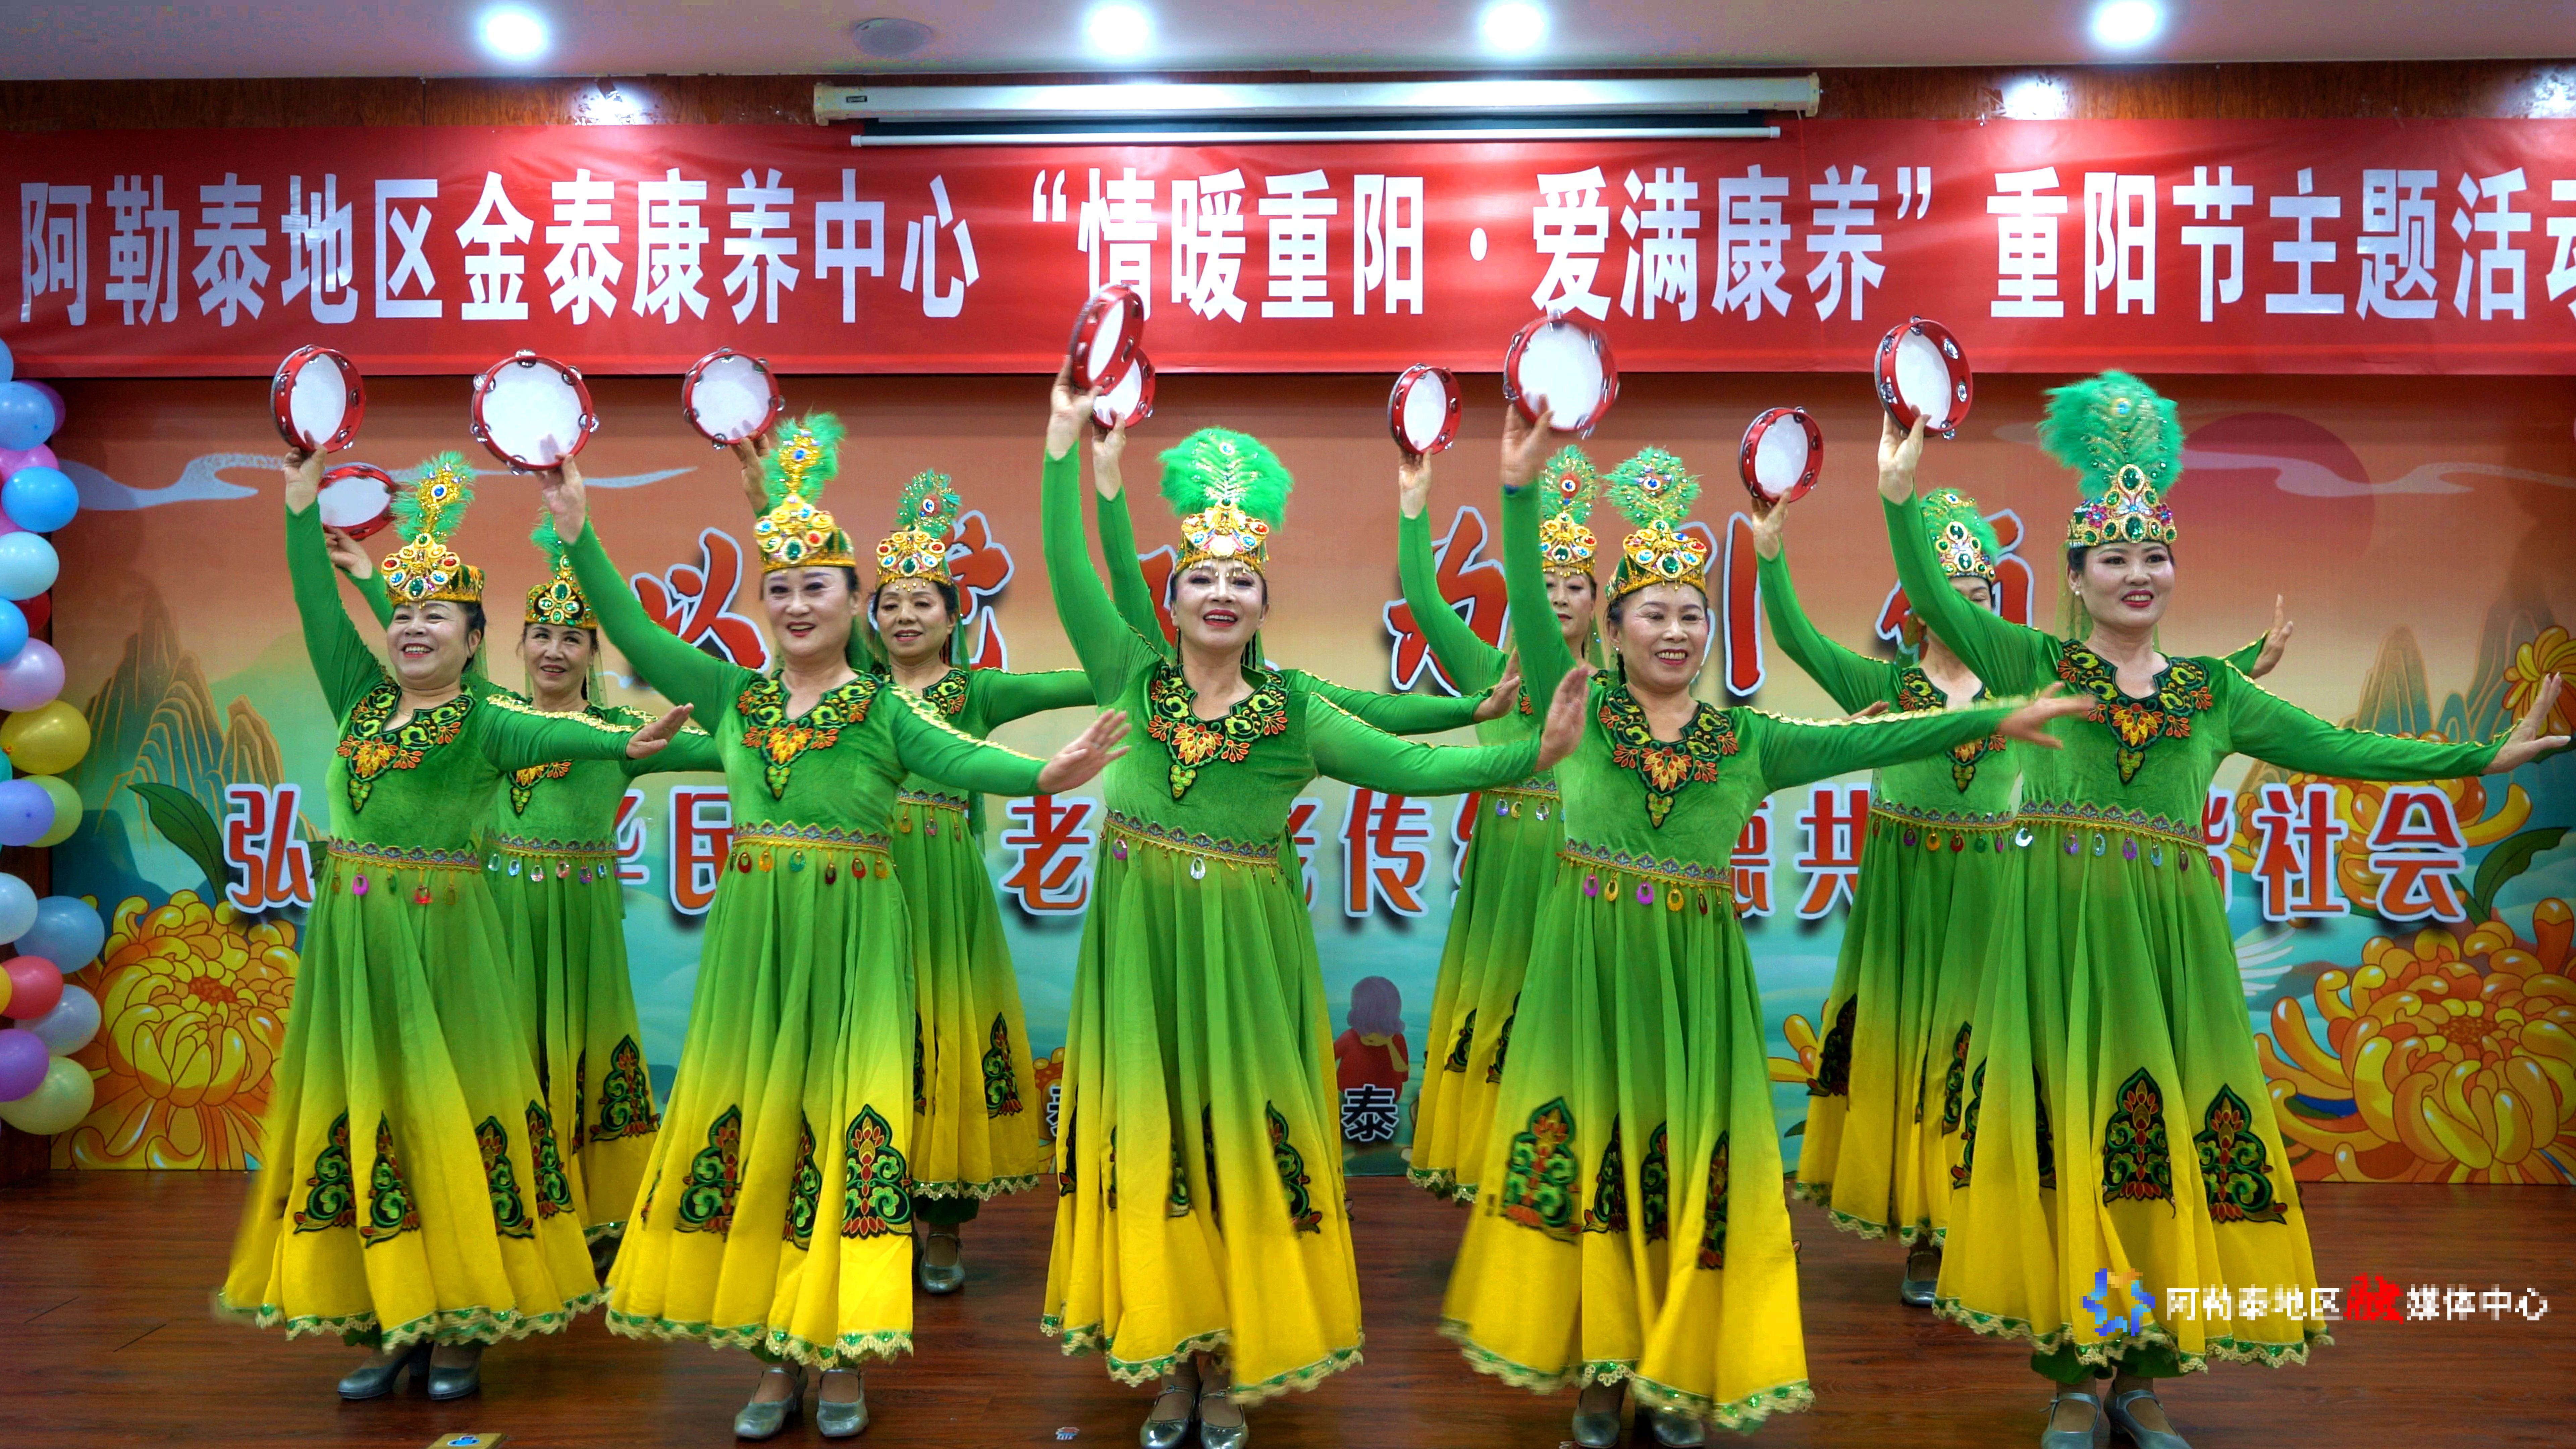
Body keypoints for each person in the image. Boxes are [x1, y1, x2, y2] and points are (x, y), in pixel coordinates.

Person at [1878, 375, 2566, 1449]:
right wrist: (1899, 497)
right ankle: (2074, 1380)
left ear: (2172, 573)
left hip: (2170, 956)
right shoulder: (2037, 663)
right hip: (2059, 949)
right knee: (2072, 1155)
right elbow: (1937, 595)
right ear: (2076, 577)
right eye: (2114, 558)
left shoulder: (2213, 693)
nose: (2137, 575)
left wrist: (2485, 755)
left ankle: (2143, 1381)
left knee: (2164, 1155)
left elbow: (2344, 749)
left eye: (2154, 557)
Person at [1439, 421, 2092, 1447]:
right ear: (1613, 629)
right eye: (1654, 613)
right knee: (1596, 1158)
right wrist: (1518, 492)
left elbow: (1881, 736)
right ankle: (1600, 1376)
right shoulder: (1582, 714)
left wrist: (1985, 722)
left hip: (1697, 990)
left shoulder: (1745, 741)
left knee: (1693, 1169)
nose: (1676, 632)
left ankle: (1679, 1376)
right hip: (1585, 981)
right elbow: (1528, 599)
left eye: (1693, 615)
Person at [537, 415, 1131, 1441]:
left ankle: (844, 1351)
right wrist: (580, 531)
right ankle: (775, 1358)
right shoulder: (733, 695)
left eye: (819, 587)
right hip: (756, 957)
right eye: (780, 588)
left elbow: (962, 762)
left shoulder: (883, 711)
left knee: (850, 1140)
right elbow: (634, 637)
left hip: (859, 949)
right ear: (763, 604)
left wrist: (1044, 774)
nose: (798, 603)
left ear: (852, 604)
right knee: (764, 1139)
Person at [1034, 367, 1589, 1449]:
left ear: (1263, 605)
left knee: (1240, 1147)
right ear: (1172, 600)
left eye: (1242, 580)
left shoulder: (1293, 711)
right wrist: (1069, 451)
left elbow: (1407, 766)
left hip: (1246, 965)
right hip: (1143, 963)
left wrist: (1530, 754)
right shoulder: (1131, 680)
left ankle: (1230, 1362)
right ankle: (1168, 1360)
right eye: (1202, 577)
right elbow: (1068, 565)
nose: (1222, 593)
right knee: (1157, 1142)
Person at [221, 450, 695, 1402]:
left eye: (437, 616)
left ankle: (466, 1325)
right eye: (404, 614)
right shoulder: (359, 697)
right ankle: (394, 1318)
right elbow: (318, 603)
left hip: (449, 950)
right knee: (373, 1124)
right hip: (356, 953)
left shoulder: (487, 721)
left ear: (475, 641)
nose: (413, 627)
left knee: (456, 1126)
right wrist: (300, 506)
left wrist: (627, 740)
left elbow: (565, 733)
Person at [1754, 487, 2284, 1300]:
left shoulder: (2023, 688)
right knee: (1913, 1056)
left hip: (2001, 893)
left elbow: (2149, 693)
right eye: (1952, 595)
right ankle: (1925, 1233)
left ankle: (1984, 1228)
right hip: (1909, 901)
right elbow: (1795, 638)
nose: (1968, 608)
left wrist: (2245, 661)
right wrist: (1769, 556)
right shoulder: (1887, 688)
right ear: (1921, 608)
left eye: (1981, 595)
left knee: (1982, 1063)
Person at [326, 516, 722, 1270]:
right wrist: (373, 581)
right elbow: (424, 645)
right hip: (493, 917)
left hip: (578, 926)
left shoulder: (618, 729)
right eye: (540, 635)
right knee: (496, 1061)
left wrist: (785, 737)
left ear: (592, 653)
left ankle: (592, 1213)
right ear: (513, 646)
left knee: (580, 1052)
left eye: (572, 639)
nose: (553, 650)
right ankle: (502, 1204)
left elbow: (715, 751)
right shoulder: (491, 715)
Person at [857, 465, 1096, 1293]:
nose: (905, 616)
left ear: (955, 616)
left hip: (943, 887)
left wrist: (1162, 662)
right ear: (872, 619)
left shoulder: (976, 691)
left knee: (947, 1040)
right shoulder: (855, 696)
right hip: (866, 879)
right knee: (873, 1041)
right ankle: (872, 1214)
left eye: (923, 602)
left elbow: (1077, 683)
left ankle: (945, 1227)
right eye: (891, 603)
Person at [1400, 444, 1602, 1203]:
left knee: (1571, 1023)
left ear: (1599, 603)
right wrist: (1414, 502)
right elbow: (1425, 602)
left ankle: (1573, 1178)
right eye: (1544, 583)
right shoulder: (1491, 674)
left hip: (1581, 875)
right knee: (1494, 1017)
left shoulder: (1621, 693)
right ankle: (1490, 1169)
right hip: (1503, 877)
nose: (1559, 598)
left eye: (1575, 586)